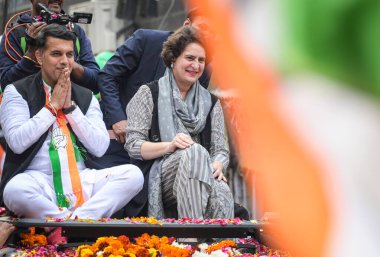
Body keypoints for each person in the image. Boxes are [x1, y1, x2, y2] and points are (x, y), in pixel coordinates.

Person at [0, 24, 143, 221]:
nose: (64, 61)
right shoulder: (16, 91)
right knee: (15, 190)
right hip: (40, 181)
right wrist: (52, 108)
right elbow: (16, 142)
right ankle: (78, 222)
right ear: (40, 57)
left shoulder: (86, 96)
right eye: (56, 54)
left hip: (82, 178)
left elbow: (100, 147)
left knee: (133, 175)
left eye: (69, 55)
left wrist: (70, 110)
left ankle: (73, 222)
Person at [125, 26, 234, 220]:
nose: (196, 65)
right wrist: (170, 145)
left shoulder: (212, 102)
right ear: (173, 58)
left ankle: (219, 248)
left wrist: (218, 163)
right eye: (190, 58)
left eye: (201, 60)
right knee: (195, 151)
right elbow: (133, 146)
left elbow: (221, 150)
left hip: (202, 172)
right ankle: (191, 237)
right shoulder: (148, 93)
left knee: (220, 189)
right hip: (159, 176)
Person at [0, 0, 99, 92]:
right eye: (56, 53)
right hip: (28, 108)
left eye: (69, 53)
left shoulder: (76, 31)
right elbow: (6, 84)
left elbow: (96, 83)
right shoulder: (15, 33)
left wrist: (67, 62)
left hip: (71, 107)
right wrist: (31, 52)